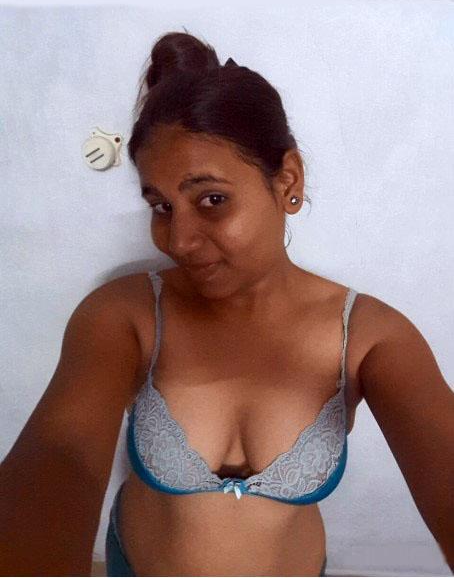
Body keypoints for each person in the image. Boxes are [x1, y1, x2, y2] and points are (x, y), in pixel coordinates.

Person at [1, 30, 453, 577]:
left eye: (211, 199)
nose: (179, 241)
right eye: (162, 206)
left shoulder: (368, 338)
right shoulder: (125, 316)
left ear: (287, 181)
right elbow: (61, 453)